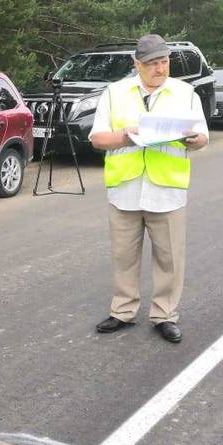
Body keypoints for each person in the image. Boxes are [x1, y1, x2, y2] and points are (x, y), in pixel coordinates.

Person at [89, 34, 209, 343]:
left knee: (169, 258)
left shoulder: (186, 93)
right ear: (137, 64)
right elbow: (97, 139)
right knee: (124, 256)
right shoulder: (114, 93)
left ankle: (164, 315)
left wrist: (193, 140)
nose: (160, 69)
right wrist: (127, 135)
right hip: (125, 188)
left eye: (164, 62)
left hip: (167, 190)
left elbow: (202, 138)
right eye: (153, 64)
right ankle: (123, 311)